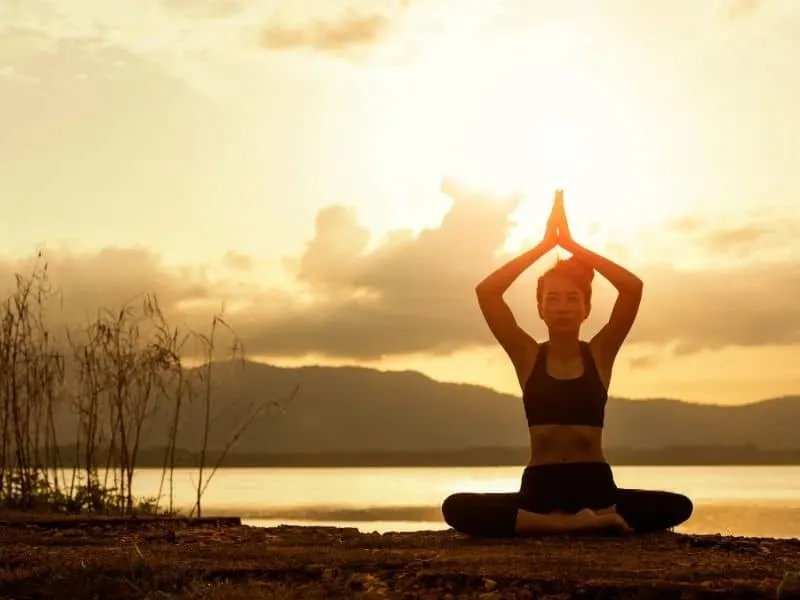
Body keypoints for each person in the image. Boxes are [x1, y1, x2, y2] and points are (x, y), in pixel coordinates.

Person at [441, 190, 693, 537]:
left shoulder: (600, 354)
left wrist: (572, 245)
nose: (562, 306)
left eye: (572, 299)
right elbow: (487, 292)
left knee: (680, 506)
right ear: (540, 308)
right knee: (455, 507)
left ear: (586, 308)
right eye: (553, 299)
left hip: (595, 483)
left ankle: (546, 524)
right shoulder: (527, 355)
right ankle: (572, 523)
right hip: (540, 485)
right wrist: (545, 245)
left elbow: (632, 288)